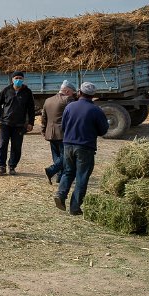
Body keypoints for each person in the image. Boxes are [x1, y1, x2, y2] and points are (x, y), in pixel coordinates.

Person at [54, 82, 109, 215]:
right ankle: (75, 207)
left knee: (68, 172)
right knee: (82, 177)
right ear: (93, 95)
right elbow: (103, 131)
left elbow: (64, 126)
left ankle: (60, 195)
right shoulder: (96, 110)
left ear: (79, 92)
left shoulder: (70, 107)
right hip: (85, 147)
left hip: (68, 144)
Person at [0, 71, 35, 175]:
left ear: (23, 79)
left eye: (20, 78)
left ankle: (12, 166)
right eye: (16, 78)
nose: (18, 80)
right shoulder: (6, 90)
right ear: (12, 79)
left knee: (16, 146)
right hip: (5, 123)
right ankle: (1, 166)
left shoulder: (27, 92)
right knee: (3, 144)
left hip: (19, 125)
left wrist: (30, 123)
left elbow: (31, 109)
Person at [41, 80, 76, 184]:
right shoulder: (68, 99)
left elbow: (44, 117)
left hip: (50, 133)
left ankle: (59, 177)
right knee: (66, 156)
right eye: (71, 92)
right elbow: (72, 116)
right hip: (63, 133)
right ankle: (51, 170)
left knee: (56, 156)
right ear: (66, 90)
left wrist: (43, 130)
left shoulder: (48, 100)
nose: (72, 94)